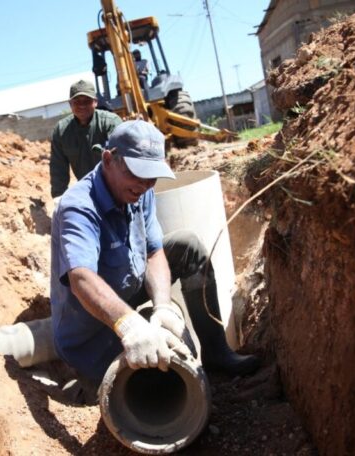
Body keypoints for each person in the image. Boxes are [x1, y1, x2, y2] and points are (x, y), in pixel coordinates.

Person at [50, 120, 260, 401]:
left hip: (126, 286)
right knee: (144, 396)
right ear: (109, 159)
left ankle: (217, 353)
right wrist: (130, 326)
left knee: (188, 246)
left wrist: (163, 307)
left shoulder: (140, 190)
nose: (146, 184)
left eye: (152, 176)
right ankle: (78, 388)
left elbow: (153, 251)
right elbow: (81, 278)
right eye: (138, 173)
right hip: (92, 330)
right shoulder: (78, 207)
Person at [50, 80, 122, 198]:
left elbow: (121, 158)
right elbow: (58, 168)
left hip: (115, 186)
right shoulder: (61, 130)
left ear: (95, 102)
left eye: (87, 101)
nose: (82, 106)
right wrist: (59, 197)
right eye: (77, 102)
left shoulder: (110, 122)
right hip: (87, 190)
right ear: (70, 104)